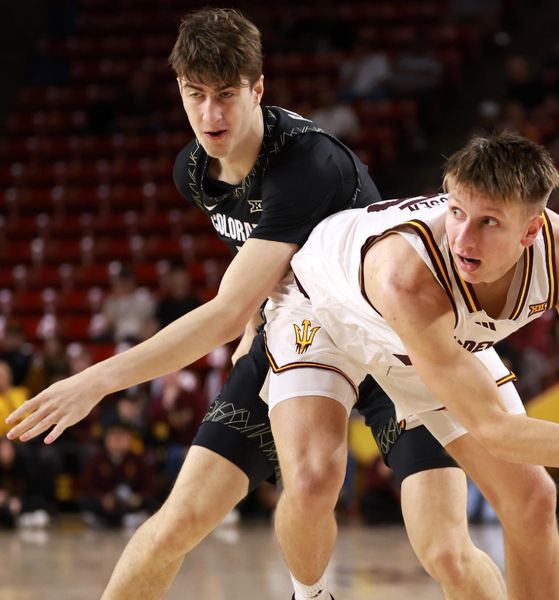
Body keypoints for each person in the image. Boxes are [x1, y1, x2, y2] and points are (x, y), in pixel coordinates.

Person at [6, 9, 503, 600]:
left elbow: (219, 311)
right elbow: (262, 256)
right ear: (180, 92)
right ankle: (310, 593)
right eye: (196, 96)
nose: (211, 115)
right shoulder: (192, 171)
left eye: (226, 95)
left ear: (257, 89)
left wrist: (95, 381)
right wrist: (256, 315)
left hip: (386, 342)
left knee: (446, 549)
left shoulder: (306, 164)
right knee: (179, 522)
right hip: (300, 337)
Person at [258, 132, 559, 598]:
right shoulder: (408, 274)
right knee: (314, 479)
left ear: (531, 231)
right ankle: (310, 592)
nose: (462, 236)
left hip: (432, 338)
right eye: (456, 212)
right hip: (322, 310)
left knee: (532, 501)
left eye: (488, 223)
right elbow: (495, 430)